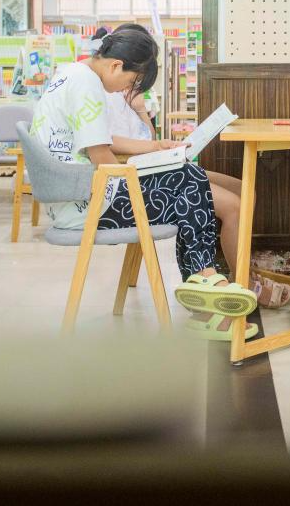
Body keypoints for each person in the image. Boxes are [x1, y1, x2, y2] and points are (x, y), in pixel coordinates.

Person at [30, 27, 261, 340]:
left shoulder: (71, 73)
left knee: (187, 176)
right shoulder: (88, 85)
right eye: (131, 82)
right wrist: (146, 170)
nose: (127, 90)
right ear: (116, 66)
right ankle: (206, 283)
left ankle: (205, 284)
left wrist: (154, 149)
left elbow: (100, 141)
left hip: (80, 196)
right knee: (187, 178)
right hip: (89, 204)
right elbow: (101, 156)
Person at [90, 25, 290, 310]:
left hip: (156, 167)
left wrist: (140, 109)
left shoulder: (127, 93)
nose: (138, 82)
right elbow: (106, 148)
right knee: (234, 206)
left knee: (244, 191)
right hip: (143, 176)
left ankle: (235, 270)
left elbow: (146, 137)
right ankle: (242, 281)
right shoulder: (101, 92)